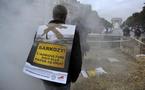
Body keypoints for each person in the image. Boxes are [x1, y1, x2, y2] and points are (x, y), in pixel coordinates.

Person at [41, 5, 82, 90]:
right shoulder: (73, 32)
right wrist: (73, 77)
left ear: (53, 15)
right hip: (64, 80)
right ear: (65, 16)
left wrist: (40, 75)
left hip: (46, 79)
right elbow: (76, 59)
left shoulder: (41, 30)